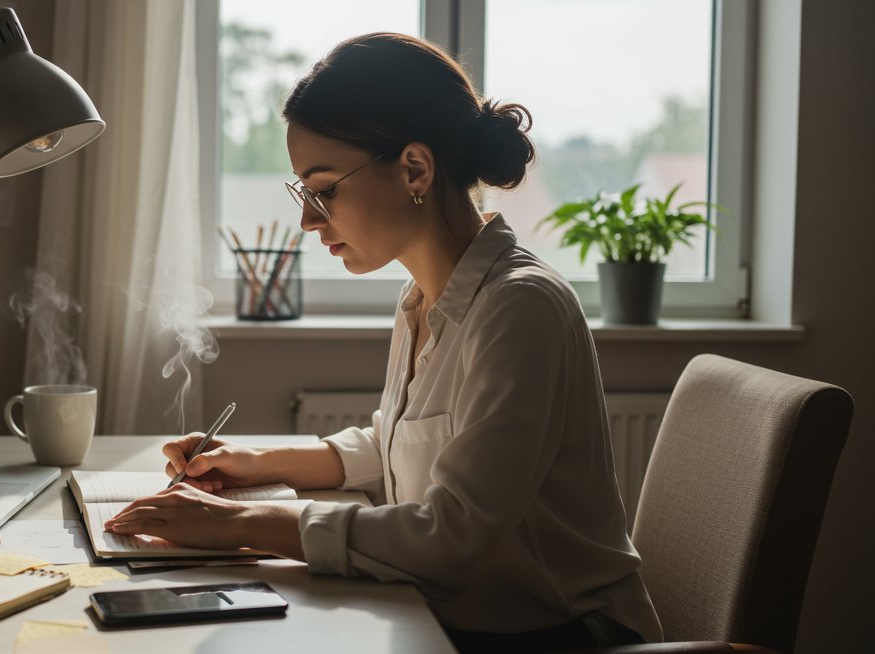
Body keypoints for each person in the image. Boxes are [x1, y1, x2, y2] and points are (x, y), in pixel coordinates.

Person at [103, 32, 662, 653]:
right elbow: (395, 444)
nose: (310, 220)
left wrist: (239, 524)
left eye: (325, 188)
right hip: (461, 618)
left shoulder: (519, 308)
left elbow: (450, 539)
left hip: (560, 635)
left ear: (415, 169)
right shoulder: (423, 298)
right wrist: (256, 464)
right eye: (304, 192)